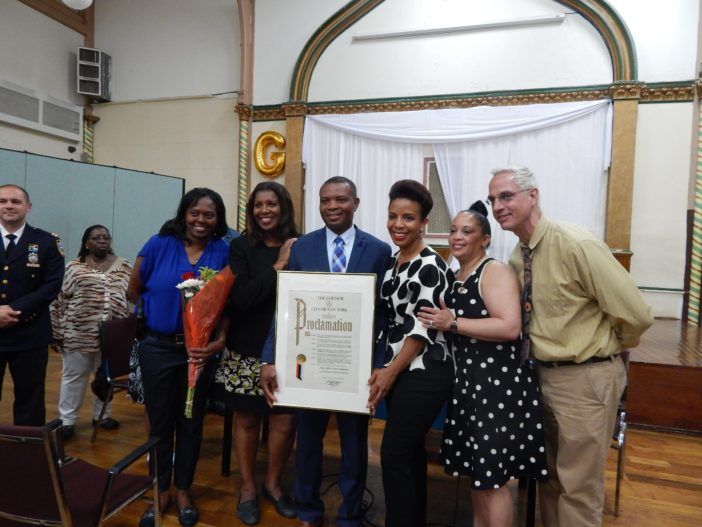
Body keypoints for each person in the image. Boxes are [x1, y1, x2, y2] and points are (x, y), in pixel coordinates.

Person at [487, 166, 653, 527]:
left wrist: (603, 352)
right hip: (542, 378)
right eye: (493, 199)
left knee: (578, 489)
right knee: (551, 481)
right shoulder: (519, 256)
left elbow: (637, 313)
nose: (498, 206)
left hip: (585, 379)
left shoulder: (576, 244)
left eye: (506, 196)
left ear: (533, 196)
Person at [260, 176, 391, 527]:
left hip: (356, 367)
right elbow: (283, 308)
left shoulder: (379, 251)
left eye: (340, 199)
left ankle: (350, 513)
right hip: (309, 364)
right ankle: (308, 509)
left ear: (356, 202)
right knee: (308, 443)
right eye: (325, 200)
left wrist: (378, 365)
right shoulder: (301, 248)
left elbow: (384, 314)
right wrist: (269, 357)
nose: (332, 206)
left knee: (354, 445)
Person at [417, 201, 547, 527]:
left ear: (485, 239)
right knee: (478, 473)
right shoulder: (457, 272)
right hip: (469, 385)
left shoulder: (494, 270)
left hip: (497, 387)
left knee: (493, 479)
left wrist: (454, 323)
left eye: (467, 231)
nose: (457, 237)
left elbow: (510, 327)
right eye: (453, 230)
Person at [127, 187, 231, 527]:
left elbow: (229, 302)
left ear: (218, 219)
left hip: (199, 352)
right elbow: (135, 288)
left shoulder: (223, 250)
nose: (201, 220)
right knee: (159, 423)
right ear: (184, 213)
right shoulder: (159, 244)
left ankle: (184, 489)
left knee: (191, 422)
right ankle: (159, 490)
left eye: (209, 214)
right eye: (195, 213)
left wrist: (219, 339)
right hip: (157, 347)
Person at [211, 182, 299, 525]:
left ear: (283, 207)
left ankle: (273, 484)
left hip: (289, 349)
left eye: (272, 204)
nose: (265, 210)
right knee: (246, 419)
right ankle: (247, 487)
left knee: (284, 420)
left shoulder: (300, 243)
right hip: (246, 346)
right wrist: (278, 266)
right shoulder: (241, 246)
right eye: (259, 205)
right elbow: (242, 298)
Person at [367, 179, 453, 527]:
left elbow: (422, 329)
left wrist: (389, 372)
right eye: (392, 216)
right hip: (400, 368)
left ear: (423, 224)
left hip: (424, 370)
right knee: (409, 455)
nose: (398, 225)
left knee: (394, 455)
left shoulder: (430, 265)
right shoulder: (393, 261)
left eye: (408, 218)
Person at [50, 225, 132, 440]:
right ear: (86, 243)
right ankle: (67, 420)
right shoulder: (74, 267)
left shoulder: (124, 266)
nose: (102, 240)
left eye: (106, 237)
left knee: (106, 376)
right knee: (74, 376)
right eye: (96, 238)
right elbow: (58, 301)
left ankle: (102, 416)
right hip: (78, 333)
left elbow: (133, 296)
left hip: (112, 336)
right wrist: (56, 332)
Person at [0, 184, 64, 425]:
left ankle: (28, 457)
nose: (8, 205)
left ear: (28, 207)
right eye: (3, 201)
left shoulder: (46, 242)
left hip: (30, 334)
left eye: (15, 201)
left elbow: (51, 285)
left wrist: (12, 311)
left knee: (30, 400)